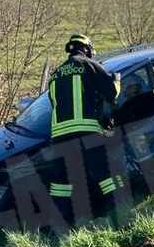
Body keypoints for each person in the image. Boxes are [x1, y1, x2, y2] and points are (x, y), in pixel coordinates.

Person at [47, 34, 124, 225]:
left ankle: (60, 225)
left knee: (61, 183)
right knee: (105, 174)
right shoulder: (88, 65)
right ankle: (119, 214)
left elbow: (54, 103)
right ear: (87, 49)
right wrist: (116, 80)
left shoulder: (56, 74)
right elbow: (112, 93)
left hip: (60, 136)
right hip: (86, 131)